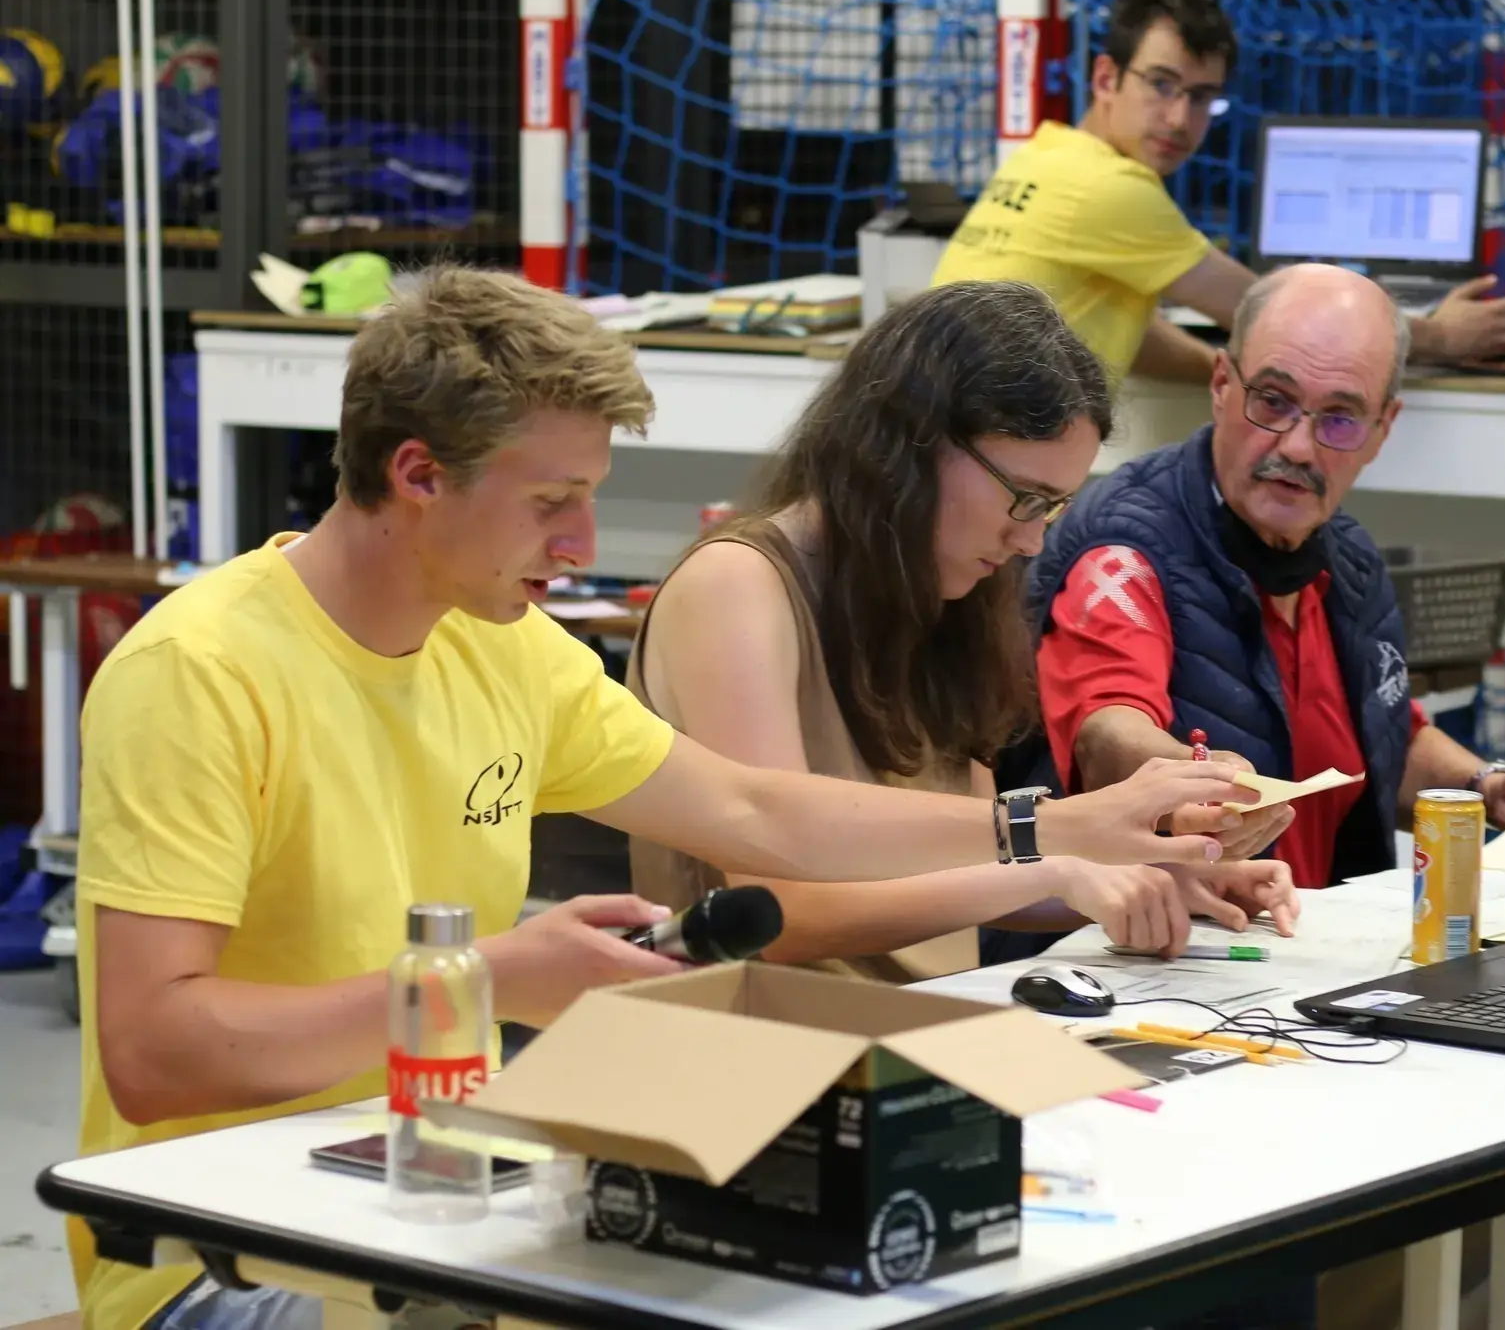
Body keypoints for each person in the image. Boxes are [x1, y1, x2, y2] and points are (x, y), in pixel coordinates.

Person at [68, 267, 1255, 1330]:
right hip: (220, 1255)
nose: (582, 541)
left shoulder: (503, 648)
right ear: (417, 475)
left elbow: (757, 813)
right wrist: (489, 981)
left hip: (444, 1193)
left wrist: (1037, 830)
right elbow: (155, 1055)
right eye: (550, 504)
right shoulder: (201, 674)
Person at [626, 280, 1297, 982]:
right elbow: (783, 913)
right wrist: (1070, 867)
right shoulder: (736, 586)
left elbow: (974, 866)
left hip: (914, 1035)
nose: (1033, 538)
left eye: (1054, 505)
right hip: (756, 1052)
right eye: (1024, 497)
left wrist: (1152, 875)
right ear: (909, 444)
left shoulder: (933, 588)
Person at [1029, 262, 1505, 897]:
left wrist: (1492, 784)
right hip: (1139, 965)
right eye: (1273, 401)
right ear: (1222, 384)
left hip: (1304, 953)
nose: (1300, 447)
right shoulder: (1125, 552)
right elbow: (1107, 730)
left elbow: (1382, 738)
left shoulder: (1348, 560)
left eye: (1340, 418)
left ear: (1381, 431)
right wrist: (1194, 783)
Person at [929, 0, 1505, 387]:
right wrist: (1440, 337)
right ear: (1107, 77)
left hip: (933, 449)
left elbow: (1123, 335)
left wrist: (1229, 372)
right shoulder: (1108, 189)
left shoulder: (1047, 154)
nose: (1178, 119)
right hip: (963, 472)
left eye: (1200, 97)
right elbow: (1283, 315)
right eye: (1161, 85)